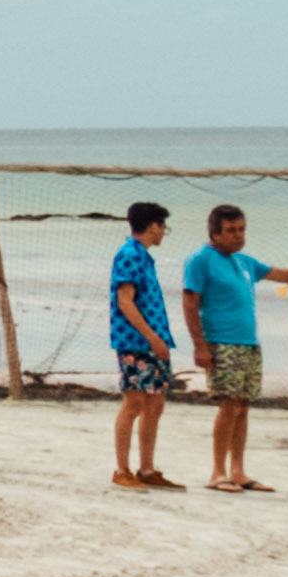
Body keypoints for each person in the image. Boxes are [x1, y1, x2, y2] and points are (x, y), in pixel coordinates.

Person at [181, 204, 288, 497]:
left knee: (243, 406)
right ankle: (217, 472)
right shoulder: (200, 260)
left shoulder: (244, 261)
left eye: (242, 229)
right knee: (229, 404)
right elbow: (189, 304)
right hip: (222, 343)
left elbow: (286, 277)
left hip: (249, 344)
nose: (238, 235)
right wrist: (199, 345)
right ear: (215, 233)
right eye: (231, 230)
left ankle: (238, 471)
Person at [106, 201, 180, 486]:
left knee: (155, 403)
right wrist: (151, 337)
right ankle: (122, 471)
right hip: (135, 341)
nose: (164, 233)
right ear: (154, 226)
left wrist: (158, 339)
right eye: (164, 227)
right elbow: (125, 301)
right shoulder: (129, 255)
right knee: (134, 402)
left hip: (153, 340)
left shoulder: (143, 256)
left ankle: (147, 469)